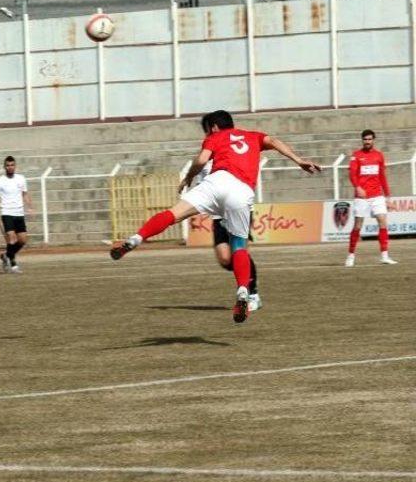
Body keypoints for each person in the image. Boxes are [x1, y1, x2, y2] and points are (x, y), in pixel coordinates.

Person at [110, 110, 321, 323]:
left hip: (216, 182)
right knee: (239, 247)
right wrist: (299, 160)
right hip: (240, 190)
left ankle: (135, 239)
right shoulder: (253, 135)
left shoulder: (214, 137)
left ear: (213, 127)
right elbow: (274, 141)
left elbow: (201, 160)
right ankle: (242, 292)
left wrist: (189, 177)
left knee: (173, 214)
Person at [194, 115, 261, 313]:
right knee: (225, 259)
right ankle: (246, 279)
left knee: (239, 250)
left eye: (208, 129)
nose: (208, 134)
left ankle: (252, 292)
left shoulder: (232, 151)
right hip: (217, 215)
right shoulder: (206, 158)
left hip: (237, 209)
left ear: (214, 128)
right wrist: (199, 214)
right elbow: (205, 189)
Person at [345, 129, 397, 267]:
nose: (367, 141)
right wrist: (357, 187)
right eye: (365, 139)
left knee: (383, 222)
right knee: (358, 226)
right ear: (362, 140)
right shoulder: (356, 156)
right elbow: (352, 175)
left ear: (373, 140)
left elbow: (382, 177)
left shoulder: (379, 155)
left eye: (369, 139)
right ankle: (350, 255)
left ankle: (384, 255)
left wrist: (388, 196)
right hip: (361, 197)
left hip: (377, 196)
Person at [0, 156, 32, 274]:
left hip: (19, 213)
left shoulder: (21, 179)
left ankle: (6, 255)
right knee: (12, 238)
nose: (10, 167)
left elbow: (25, 194)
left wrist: (30, 206)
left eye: (12, 165)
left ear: (15, 166)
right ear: (4, 167)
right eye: (8, 165)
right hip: (7, 212)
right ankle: (13, 264)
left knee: (23, 240)